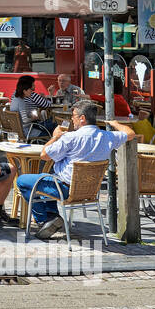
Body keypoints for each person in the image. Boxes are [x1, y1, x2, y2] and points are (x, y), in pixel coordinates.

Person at [15, 101, 137, 240]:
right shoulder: (107, 137)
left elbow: (44, 155)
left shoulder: (70, 137)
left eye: (73, 116)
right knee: (46, 176)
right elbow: (130, 133)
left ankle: (44, 219)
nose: (72, 119)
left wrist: (55, 137)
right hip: (90, 191)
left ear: (82, 118)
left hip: (65, 189)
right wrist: (115, 123)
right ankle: (52, 217)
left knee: (22, 181)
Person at [10, 74, 55, 140]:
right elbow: (25, 120)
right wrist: (34, 118)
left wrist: (30, 115)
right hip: (28, 131)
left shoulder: (15, 99)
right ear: (24, 91)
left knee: (51, 125)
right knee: (53, 128)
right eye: (30, 90)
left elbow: (22, 116)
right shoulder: (21, 102)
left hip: (20, 130)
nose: (32, 91)